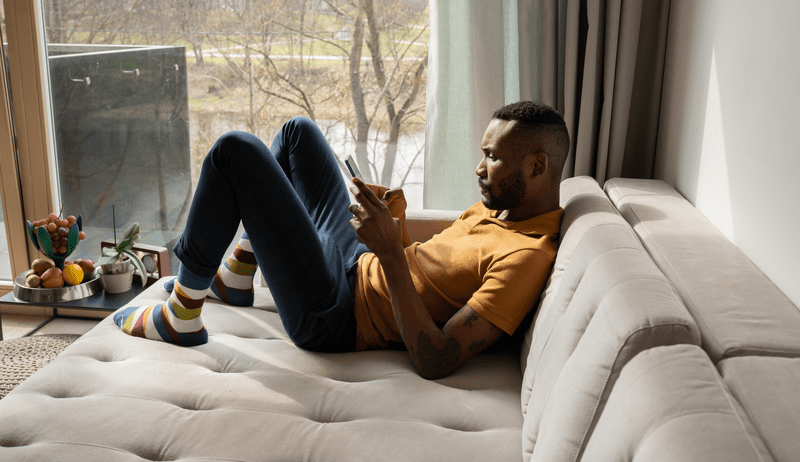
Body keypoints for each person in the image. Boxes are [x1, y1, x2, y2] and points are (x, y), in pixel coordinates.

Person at [114, 101, 569, 379]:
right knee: (299, 134)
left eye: (492, 158)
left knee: (235, 151)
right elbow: (432, 278)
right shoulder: (498, 209)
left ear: (536, 167)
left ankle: (181, 314)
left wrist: (390, 250)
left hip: (335, 314)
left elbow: (436, 358)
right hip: (356, 262)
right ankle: (237, 274)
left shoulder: (526, 257)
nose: (479, 167)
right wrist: (392, 225)